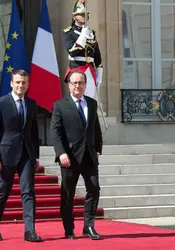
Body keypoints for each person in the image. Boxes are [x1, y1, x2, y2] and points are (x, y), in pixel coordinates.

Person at [0, 69, 42, 242]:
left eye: (24, 82)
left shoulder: (32, 104)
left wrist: (36, 156)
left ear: (28, 84)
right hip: (6, 155)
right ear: (11, 83)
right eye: (17, 82)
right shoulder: (0, 103)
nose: (20, 85)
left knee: (28, 192)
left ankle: (29, 231)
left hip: (27, 154)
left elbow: (34, 132)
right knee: (3, 191)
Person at [50, 71, 103, 240]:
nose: (77, 86)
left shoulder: (92, 104)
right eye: (74, 83)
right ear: (69, 85)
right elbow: (55, 132)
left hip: (89, 156)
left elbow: (96, 129)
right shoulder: (60, 105)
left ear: (85, 85)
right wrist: (61, 153)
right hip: (70, 157)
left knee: (94, 188)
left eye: (80, 83)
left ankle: (89, 226)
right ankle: (69, 228)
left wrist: (98, 149)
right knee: (67, 194)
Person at [63, 0, 103, 99]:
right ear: (74, 17)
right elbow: (72, 51)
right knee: (77, 97)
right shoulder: (69, 32)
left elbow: (97, 55)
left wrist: (99, 75)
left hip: (90, 69)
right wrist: (83, 35)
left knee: (90, 99)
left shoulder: (91, 33)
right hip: (77, 68)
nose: (83, 16)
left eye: (85, 14)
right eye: (80, 14)